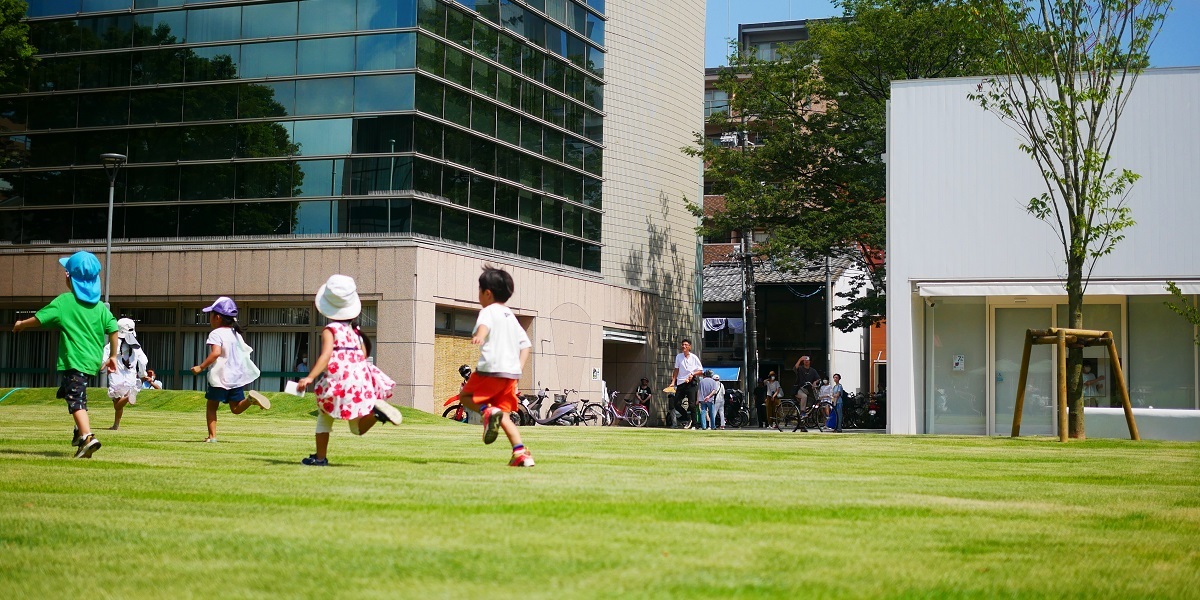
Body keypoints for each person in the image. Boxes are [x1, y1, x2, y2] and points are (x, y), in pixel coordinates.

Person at [11, 251, 118, 458]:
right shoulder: (99, 307)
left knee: (75, 400)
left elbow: (40, 319)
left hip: (74, 360)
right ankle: (79, 431)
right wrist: (113, 356)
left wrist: (21, 324)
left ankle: (87, 436)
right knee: (75, 394)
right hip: (91, 362)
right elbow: (113, 328)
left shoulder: (64, 302)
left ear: (68, 277)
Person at [296, 275, 403, 466]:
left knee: (324, 417)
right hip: (359, 380)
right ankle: (376, 414)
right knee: (356, 428)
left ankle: (320, 458)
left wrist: (310, 377)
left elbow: (326, 355)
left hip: (339, 380)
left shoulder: (331, 330)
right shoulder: (355, 332)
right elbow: (362, 356)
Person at [456, 266, 535, 467]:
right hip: (510, 374)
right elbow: (526, 345)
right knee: (504, 415)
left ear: (487, 293)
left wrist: (480, 336)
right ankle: (521, 454)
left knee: (465, 396)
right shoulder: (510, 316)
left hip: (490, 369)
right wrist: (518, 371)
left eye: (479, 290)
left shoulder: (488, 311)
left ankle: (486, 411)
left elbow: (484, 326)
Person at [190, 296, 271, 442]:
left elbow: (216, 353)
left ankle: (212, 437)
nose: (210, 318)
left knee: (211, 407)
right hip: (235, 377)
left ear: (218, 317)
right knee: (236, 409)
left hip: (220, 377)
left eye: (211, 314)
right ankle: (250, 400)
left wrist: (200, 367)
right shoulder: (236, 334)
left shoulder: (216, 333)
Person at [102, 318, 149, 430]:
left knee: (117, 404)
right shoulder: (136, 346)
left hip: (116, 377)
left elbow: (103, 360)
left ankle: (128, 397)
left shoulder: (111, 345)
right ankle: (116, 425)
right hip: (131, 378)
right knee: (120, 404)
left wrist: (102, 368)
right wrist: (142, 374)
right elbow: (143, 361)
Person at [667, 339, 703, 429]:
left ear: (689, 346)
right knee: (676, 403)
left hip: (691, 383)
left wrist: (692, 374)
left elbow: (701, 371)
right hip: (681, 382)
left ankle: (695, 424)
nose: (684, 346)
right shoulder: (679, 357)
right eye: (683, 344)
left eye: (686, 345)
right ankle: (687, 417)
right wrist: (673, 382)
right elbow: (676, 370)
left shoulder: (694, 357)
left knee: (692, 404)